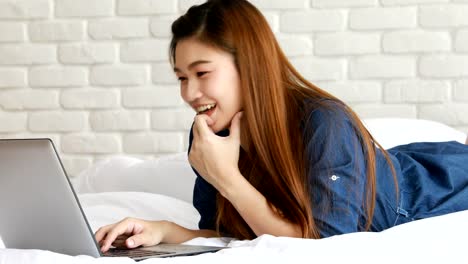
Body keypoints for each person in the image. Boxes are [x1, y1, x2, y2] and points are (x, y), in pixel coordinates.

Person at [95, 0, 468, 252]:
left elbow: (321, 244)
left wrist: (228, 177)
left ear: (250, 66)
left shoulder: (324, 122)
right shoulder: (209, 133)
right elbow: (233, 236)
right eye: (180, 77)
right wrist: (163, 231)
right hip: (380, 166)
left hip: (433, 186)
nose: (190, 93)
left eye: (202, 73)